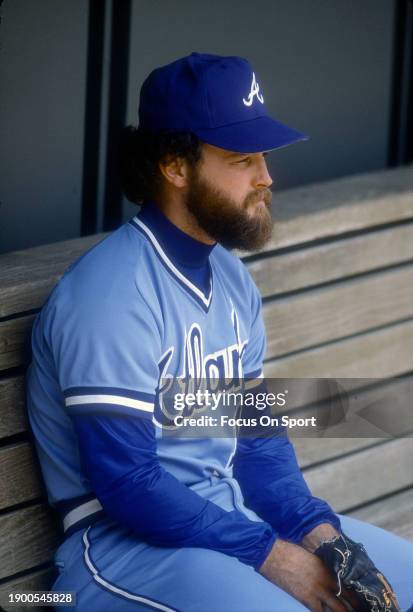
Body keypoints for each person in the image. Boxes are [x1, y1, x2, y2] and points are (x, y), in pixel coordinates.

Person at [27, 53, 412, 611]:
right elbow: (129, 485)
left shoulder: (230, 278)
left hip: (228, 527)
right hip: (120, 549)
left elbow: (257, 444)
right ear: (175, 166)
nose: (267, 177)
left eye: (263, 156)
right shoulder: (110, 294)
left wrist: (323, 539)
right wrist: (276, 556)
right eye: (242, 158)